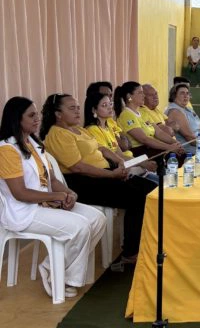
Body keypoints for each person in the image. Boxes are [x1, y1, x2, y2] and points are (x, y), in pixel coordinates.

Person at [0, 97, 106, 298]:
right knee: (81, 226)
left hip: (46, 203)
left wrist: (68, 193)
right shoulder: (7, 149)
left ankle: (51, 267)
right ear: (16, 119)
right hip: (25, 211)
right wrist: (56, 195)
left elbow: (51, 180)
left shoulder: (32, 143)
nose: (37, 119)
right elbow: (19, 193)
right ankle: (62, 278)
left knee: (98, 219)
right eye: (31, 115)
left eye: (37, 114)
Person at [40, 93, 157, 263]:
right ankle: (131, 252)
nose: (77, 111)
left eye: (78, 107)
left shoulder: (78, 129)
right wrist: (112, 175)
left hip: (104, 175)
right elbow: (78, 167)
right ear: (58, 114)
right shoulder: (57, 134)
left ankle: (146, 241)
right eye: (72, 108)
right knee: (139, 198)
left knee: (151, 189)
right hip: (83, 183)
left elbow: (101, 148)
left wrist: (119, 163)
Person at [83, 92, 159, 184]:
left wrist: (142, 163)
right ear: (94, 110)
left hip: (125, 166)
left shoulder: (108, 128)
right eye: (104, 105)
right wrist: (141, 163)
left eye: (110, 104)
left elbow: (120, 154)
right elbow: (109, 158)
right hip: (114, 172)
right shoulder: (93, 130)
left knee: (161, 183)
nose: (109, 107)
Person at [114, 82, 185, 159]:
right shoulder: (126, 115)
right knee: (173, 156)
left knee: (182, 154)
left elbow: (159, 133)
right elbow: (144, 139)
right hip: (139, 151)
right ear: (129, 96)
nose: (143, 96)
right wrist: (168, 147)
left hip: (150, 148)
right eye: (140, 93)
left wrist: (176, 143)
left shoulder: (143, 112)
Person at [165, 82, 200, 155]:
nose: (186, 96)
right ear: (174, 96)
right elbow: (190, 138)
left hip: (198, 142)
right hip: (188, 150)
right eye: (182, 93)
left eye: (187, 93)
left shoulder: (187, 108)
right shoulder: (175, 111)